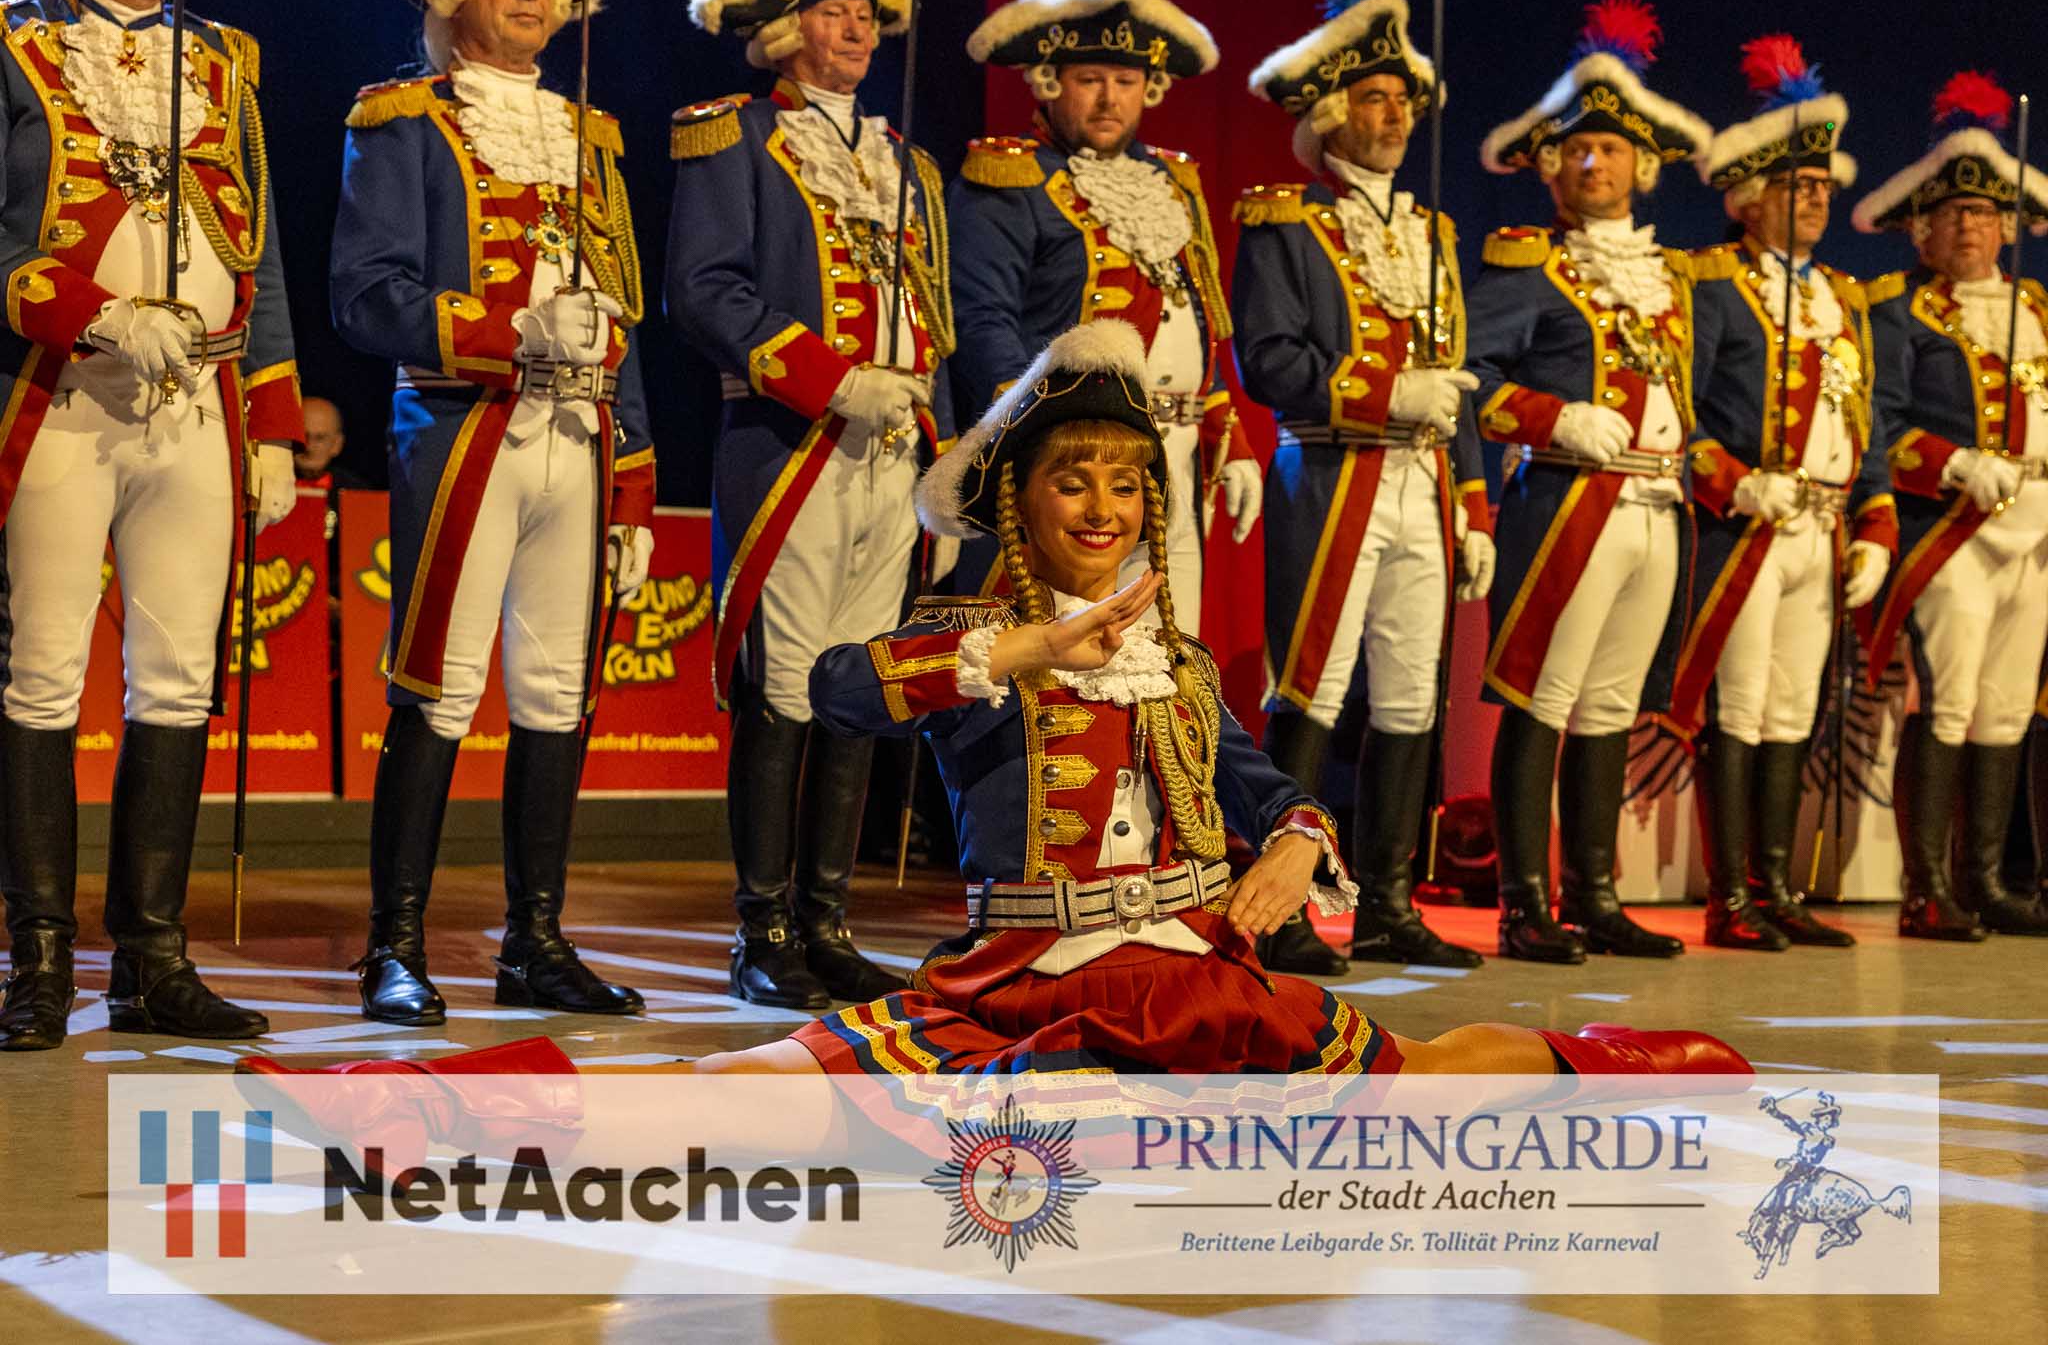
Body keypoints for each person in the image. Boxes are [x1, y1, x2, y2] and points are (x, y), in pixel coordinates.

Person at [243, 322, 1752, 1102]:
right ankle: (423, 1103)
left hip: (1198, 969)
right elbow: (837, 689)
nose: (1102, 505)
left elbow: (1259, 782)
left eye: (1124, 484)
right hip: (1026, 973)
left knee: (1410, 1081)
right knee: (759, 1094)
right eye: (1070, 480)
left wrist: (1297, 837)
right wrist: (1013, 651)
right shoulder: (969, 636)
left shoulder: (1179, 659)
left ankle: (1635, 1064)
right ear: (1019, 504)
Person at [333, 0, 656, 1024]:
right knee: (438, 687)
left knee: (557, 694)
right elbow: (366, 293)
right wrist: (505, 331)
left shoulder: (587, 134)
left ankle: (536, 943)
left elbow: (623, 317)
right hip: (464, 421)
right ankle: (394, 944)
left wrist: (635, 482)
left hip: (583, 435)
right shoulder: (403, 119)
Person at [0, 0, 301, 1050]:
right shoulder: (11, 42)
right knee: (42, 673)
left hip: (200, 405)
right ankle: (38, 959)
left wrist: (274, 421)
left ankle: (152, 960)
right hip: (63, 394)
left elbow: (261, 257)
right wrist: (101, 315)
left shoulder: (226, 60)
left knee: (178, 678)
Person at [675, 0, 949, 1009]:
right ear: (788, 28)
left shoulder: (904, 160)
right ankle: (764, 930)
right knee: (783, 683)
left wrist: (951, 457)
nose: (859, 29)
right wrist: (830, 380)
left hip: (896, 450)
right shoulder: (735, 136)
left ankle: (828, 924)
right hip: (793, 442)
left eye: (868, 13)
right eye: (837, 11)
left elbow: (937, 317)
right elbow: (705, 289)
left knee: (857, 682)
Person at [1233, 0, 1494, 975]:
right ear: (1331, 112)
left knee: (1410, 699)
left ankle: (1387, 901)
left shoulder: (1434, 233)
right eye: (1375, 99)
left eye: (1402, 100)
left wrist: (1472, 502)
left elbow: (1456, 381)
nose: (1394, 118)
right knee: (1310, 689)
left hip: (1422, 484)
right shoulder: (1285, 222)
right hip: (1332, 472)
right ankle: (1280, 907)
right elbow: (1269, 361)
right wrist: (1388, 393)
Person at [1467, 0, 1711, 965]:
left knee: (1611, 705)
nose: (1590, 163)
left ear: (1641, 167)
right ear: (1549, 167)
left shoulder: (1670, 278)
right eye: (1574, 149)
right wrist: (1552, 415)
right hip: (1570, 499)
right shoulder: (1528, 266)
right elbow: (1471, 380)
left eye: (1608, 149)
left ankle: (1595, 894)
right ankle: (1523, 903)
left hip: (1655, 503)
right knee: (1542, 695)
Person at [949, 0, 1259, 629]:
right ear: (1049, 82)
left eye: (1126, 80)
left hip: (1175, 458)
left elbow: (1193, 319)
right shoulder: (1012, 176)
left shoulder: (1173, 182)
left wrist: (1227, 438)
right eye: (1090, 79)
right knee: (1064, 644)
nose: (1110, 98)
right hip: (1075, 458)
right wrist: (1030, 432)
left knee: (1172, 644)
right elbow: (983, 321)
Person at [1669, 35, 1882, 951]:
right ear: (1750, 198)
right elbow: (1681, 412)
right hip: (1748, 526)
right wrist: (1734, 481)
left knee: (1796, 709)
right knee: (1743, 705)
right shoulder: (1712, 285)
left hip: (1822, 531)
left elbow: (1866, 421)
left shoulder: (1845, 297)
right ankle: (1729, 898)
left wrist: (1875, 526)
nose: (1817, 201)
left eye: (1825, 187)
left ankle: (1778, 886)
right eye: (1799, 187)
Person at [1854, 71, 2048, 941]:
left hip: (2036, 533)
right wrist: (1955, 462)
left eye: (1984, 212)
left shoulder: (2038, 308)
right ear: (1921, 231)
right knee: (1951, 699)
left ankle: (1987, 882)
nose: (1969, 226)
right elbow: (1879, 424)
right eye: (1952, 214)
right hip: (1953, 532)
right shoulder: (1899, 314)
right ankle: (1924, 888)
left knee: (2006, 708)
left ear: (2009, 226)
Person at [294, 396, 372, 489]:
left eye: (319, 438)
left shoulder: (357, 491)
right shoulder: (276, 483)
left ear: (336, 445)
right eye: (303, 436)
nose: (309, 447)